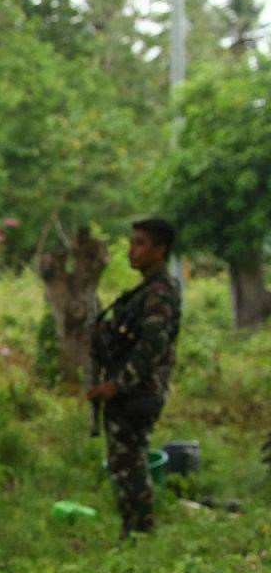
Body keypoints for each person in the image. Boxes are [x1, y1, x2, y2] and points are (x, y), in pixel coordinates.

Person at [87, 218, 182, 536]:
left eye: (140, 243)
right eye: (132, 242)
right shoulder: (143, 292)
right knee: (122, 463)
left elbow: (151, 345)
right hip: (130, 390)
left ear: (160, 250)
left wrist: (117, 384)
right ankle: (134, 528)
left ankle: (140, 531)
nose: (132, 250)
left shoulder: (158, 293)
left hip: (138, 391)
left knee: (131, 462)